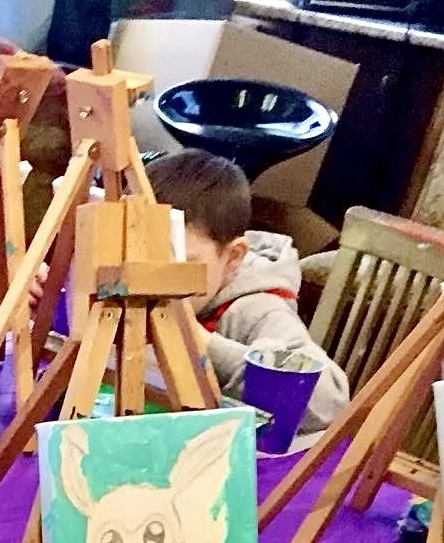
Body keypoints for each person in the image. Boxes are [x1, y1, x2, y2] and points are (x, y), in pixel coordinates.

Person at [147, 150, 348, 436]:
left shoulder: (256, 308)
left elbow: (330, 400)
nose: (154, 280)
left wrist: (203, 345)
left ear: (232, 257)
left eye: (180, 265)